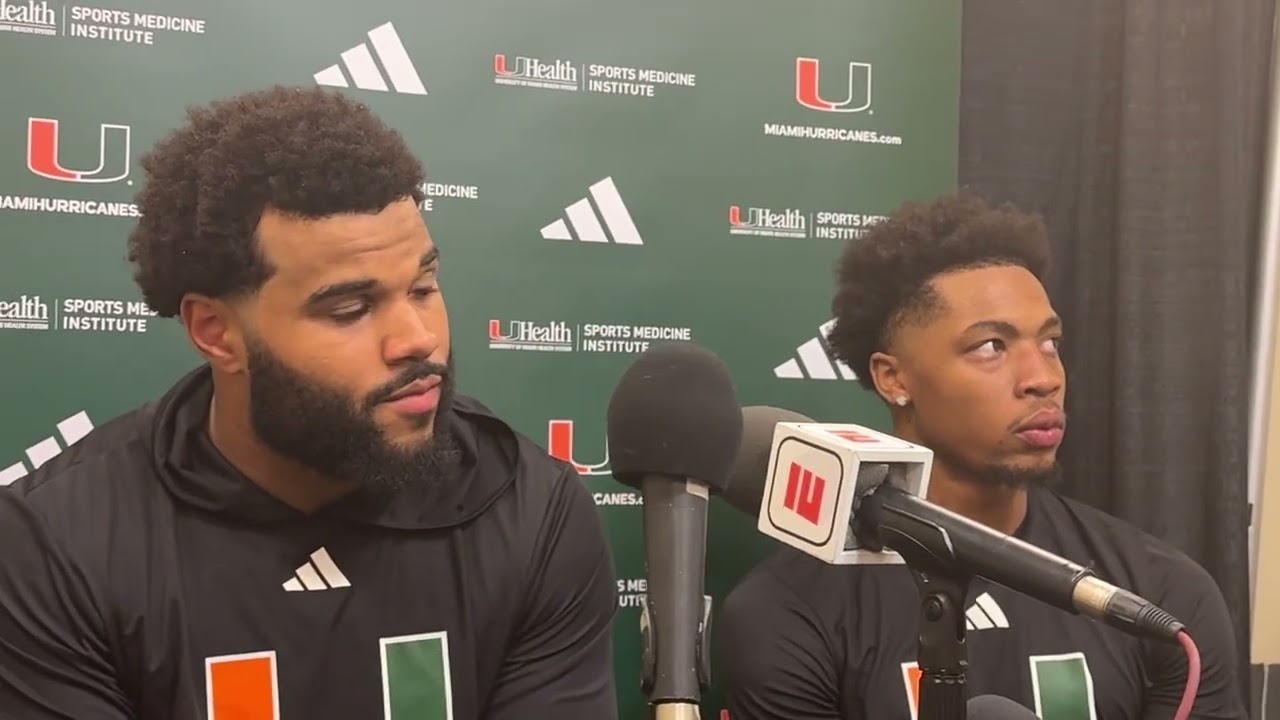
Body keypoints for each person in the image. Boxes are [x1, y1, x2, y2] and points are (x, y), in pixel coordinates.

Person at [0, 86, 619, 719]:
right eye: (350, 309)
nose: (418, 339)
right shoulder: (54, 545)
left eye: (425, 287)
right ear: (216, 331)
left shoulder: (531, 507)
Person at [716, 192, 1246, 719]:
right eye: (991, 346)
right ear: (894, 378)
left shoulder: (1160, 596)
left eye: (1050, 342)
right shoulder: (789, 613)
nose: (1044, 378)